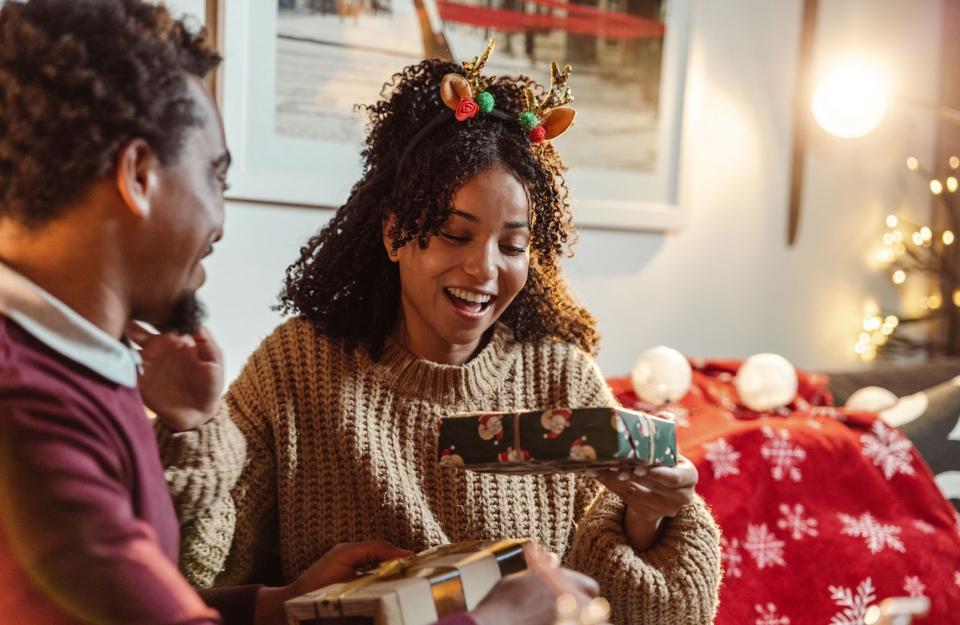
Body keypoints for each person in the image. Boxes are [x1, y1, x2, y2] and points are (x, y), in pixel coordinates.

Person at [0, 3, 595, 624]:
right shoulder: (33, 409)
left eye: (513, 243)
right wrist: (496, 618)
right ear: (140, 176)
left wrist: (276, 606)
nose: (220, 223)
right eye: (215, 178)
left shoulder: (85, 369)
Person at [150, 46, 722, 625]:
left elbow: (645, 614)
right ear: (397, 234)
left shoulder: (560, 376)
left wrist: (647, 517)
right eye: (455, 234)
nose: (485, 269)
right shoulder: (298, 368)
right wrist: (187, 429)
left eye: (513, 246)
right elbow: (190, 573)